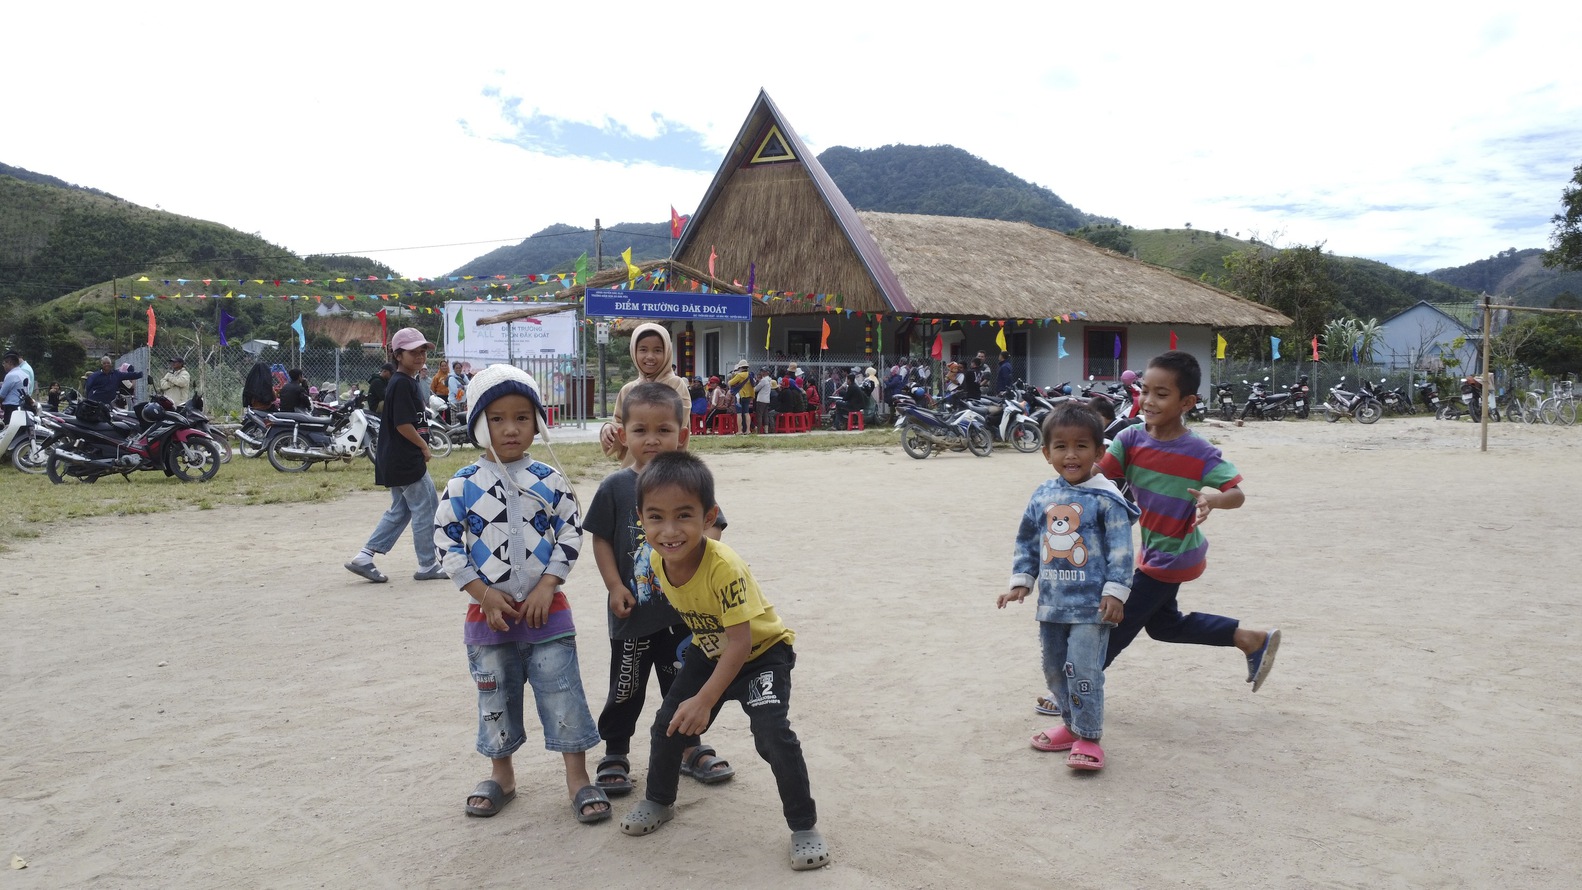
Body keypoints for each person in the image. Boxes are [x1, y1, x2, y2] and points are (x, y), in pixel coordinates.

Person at [617, 451, 829, 872]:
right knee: (668, 724)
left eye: (684, 516)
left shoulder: (724, 566)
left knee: (772, 734)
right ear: (640, 517)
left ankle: (804, 825)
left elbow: (740, 642)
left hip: (761, 655)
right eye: (656, 517)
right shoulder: (658, 558)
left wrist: (704, 699)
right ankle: (659, 800)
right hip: (709, 649)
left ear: (709, 515)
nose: (670, 530)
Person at [432, 362, 610, 823]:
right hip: (487, 621)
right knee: (495, 698)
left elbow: (571, 533)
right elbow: (446, 541)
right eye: (496, 419)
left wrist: (548, 584)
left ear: (538, 421)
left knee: (562, 692)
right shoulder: (461, 485)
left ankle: (578, 778)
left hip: (547, 616)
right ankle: (502, 775)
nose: (510, 429)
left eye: (522, 417)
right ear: (477, 424)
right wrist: (481, 593)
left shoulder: (551, 482)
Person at [584, 383, 735, 803]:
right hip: (633, 614)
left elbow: (714, 526)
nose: (652, 439)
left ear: (682, 435)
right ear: (623, 433)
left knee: (683, 684)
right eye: (641, 430)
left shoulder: (689, 483)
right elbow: (599, 539)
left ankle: (689, 746)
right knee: (626, 687)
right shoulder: (615, 487)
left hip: (684, 616)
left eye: (664, 430)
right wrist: (615, 585)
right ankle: (615, 752)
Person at [1095, 350, 1281, 690]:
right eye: (1144, 390)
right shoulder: (1130, 439)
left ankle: (1075, 685)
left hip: (1174, 553)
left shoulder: (1198, 451)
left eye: (1161, 394)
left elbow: (1236, 494)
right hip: (1154, 550)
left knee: (1118, 622)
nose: (1148, 401)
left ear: (1187, 402)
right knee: (1164, 626)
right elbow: (1096, 475)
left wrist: (1213, 499)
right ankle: (1249, 639)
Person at [999, 403, 1140, 770]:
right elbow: (1028, 539)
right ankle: (1070, 724)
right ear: (1046, 453)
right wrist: (1022, 581)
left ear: (1099, 452)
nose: (1071, 454)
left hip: (1093, 608)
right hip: (1053, 604)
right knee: (1054, 669)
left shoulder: (1107, 499)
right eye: (1060, 446)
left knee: (1083, 669)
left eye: (1081, 446)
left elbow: (1122, 551)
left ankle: (1089, 737)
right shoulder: (1043, 495)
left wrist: (1115, 591)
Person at [344, 328, 446, 584]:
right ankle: (427, 565)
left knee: (401, 510)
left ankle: (364, 557)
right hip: (404, 457)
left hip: (396, 457)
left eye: (423, 351)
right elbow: (403, 425)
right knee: (426, 506)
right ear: (398, 355)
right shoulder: (401, 383)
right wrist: (423, 447)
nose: (420, 356)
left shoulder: (407, 381)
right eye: (413, 352)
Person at [601, 323, 692, 463]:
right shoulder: (628, 390)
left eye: (657, 350)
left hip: (667, 469)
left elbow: (675, 425)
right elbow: (621, 425)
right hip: (632, 468)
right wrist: (608, 429)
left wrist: (638, 427)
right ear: (633, 351)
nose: (650, 356)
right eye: (643, 350)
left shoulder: (676, 385)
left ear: (667, 352)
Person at [725, 358, 754, 435]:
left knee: (739, 413)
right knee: (746, 413)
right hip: (748, 396)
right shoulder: (750, 375)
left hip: (739, 396)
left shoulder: (739, 375)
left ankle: (740, 430)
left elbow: (730, 383)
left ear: (740, 367)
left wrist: (734, 374)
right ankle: (748, 430)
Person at [1, 354, 26, 424]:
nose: (4, 366)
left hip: (11, 408)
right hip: (22, 406)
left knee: (8, 431)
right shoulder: (24, 374)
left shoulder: (11, 375)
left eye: (4, 363)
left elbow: (2, 395)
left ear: (10, 362)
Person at [753, 367, 777, 433]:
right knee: (765, 415)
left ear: (767, 372)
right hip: (767, 399)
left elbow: (756, 389)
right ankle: (766, 430)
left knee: (759, 415)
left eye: (764, 371)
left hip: (761, 399)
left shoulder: (764, 380)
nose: (762, 372)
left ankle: (758, 430)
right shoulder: (769, 380)